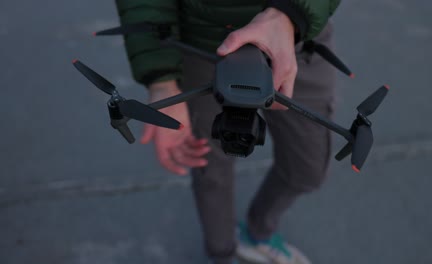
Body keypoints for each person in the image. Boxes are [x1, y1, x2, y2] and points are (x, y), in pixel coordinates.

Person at [115, 1, 340, 263]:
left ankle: (258, 233)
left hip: (298, 40)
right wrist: (162, 79)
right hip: (202, 46)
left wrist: (291, 13)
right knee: (209, 167)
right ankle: (221, 254)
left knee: (307, 169)